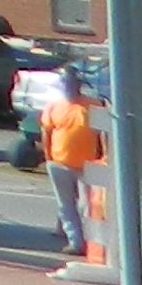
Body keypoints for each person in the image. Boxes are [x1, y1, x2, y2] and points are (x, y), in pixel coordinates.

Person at [45, 72, 108, 264]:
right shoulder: (54, 106)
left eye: (72, 83)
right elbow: (46, 132)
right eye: (65, 83)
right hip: (59, 163)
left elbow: (103, 133)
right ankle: (76, 242)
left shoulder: (93, 105)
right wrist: (48, 157)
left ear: (78, 84)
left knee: (87, 206)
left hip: (87, 165)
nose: (69, 86)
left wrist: (105, 155)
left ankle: (93, 243)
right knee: (66, 205)